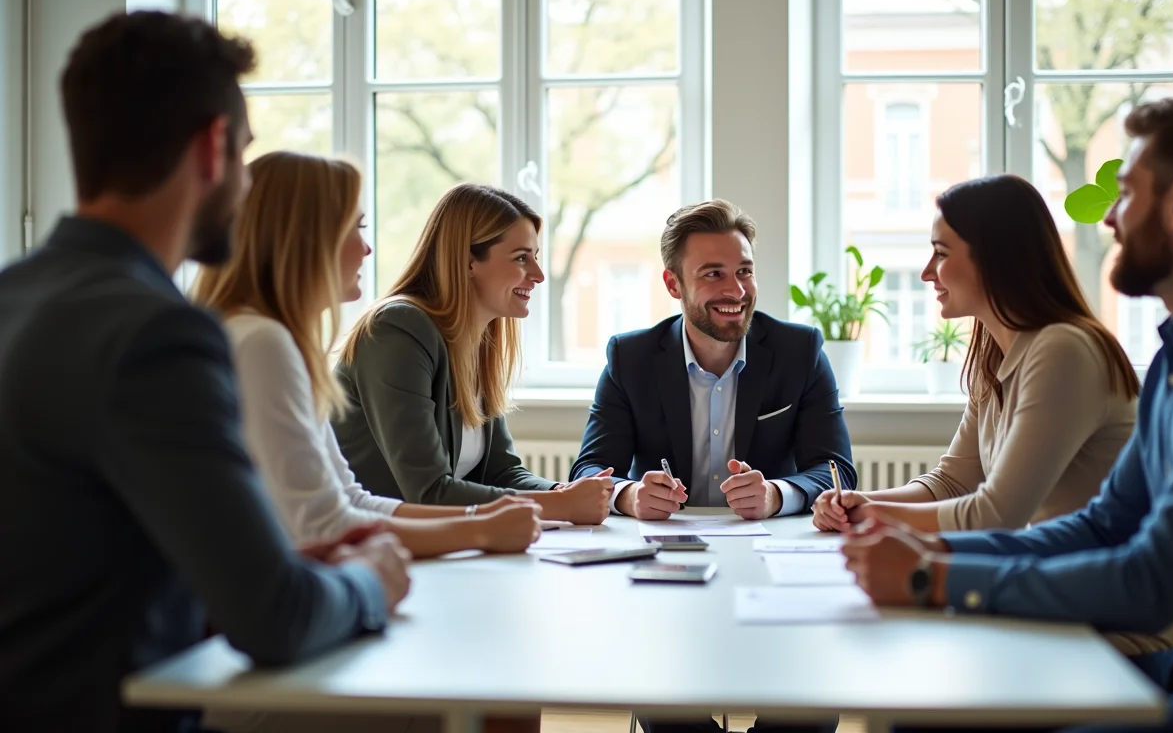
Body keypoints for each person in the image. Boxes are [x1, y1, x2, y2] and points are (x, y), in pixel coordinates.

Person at [0, 12, 409, 733]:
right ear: (213, 147)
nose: (248, 186)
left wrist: (274, 562)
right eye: (248, 156)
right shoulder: (159, 335)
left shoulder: (17, 296)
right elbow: (274, 620)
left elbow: (70, 553)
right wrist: (370, 583)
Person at [843, 87, 1173, 733]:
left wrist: (936, 579)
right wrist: (928, 554)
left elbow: (1153, 578)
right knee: (928, 711)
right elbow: (1105, 525)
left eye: (1127, 193)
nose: (1109, 219)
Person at [569, 199, 854, 733]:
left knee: (811, 704)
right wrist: (629, 496)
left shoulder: (800, 350)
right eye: (713, 274)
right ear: (673, 285)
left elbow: (836, 469)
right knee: (667, 703)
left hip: (774, 565)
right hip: (671, 571)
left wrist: (776, 493)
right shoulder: (630, 358)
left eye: (744, 271)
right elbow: (588, 470)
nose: (736, 290)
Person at [192, 151, 543, 558]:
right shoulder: (261, 342)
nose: (367, 249)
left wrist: (481, 521)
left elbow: (352, 502)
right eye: (354, 229)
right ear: (304, 239)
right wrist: (479, 532)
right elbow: (324, 525)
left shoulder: (279, 343)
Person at [813, 174, 1138, 535]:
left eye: (941, 252)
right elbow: (953, 482)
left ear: (994, 259)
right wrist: (862, 502)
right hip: (1050, 568)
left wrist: (876, 518)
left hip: (1095, 579)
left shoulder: (1064, 350)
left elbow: (997, 515)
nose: (926, 272)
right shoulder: (996, 357)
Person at [334, 183, 613, 524]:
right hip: (373, 544)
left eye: (535, 258)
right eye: (521, 258)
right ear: (468, 262)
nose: (538, 275)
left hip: (433, 546)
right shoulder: (397, 329)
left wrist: (566, 493)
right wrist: (559, 506)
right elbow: (428, 492)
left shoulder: (476, 341)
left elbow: (502, 473)